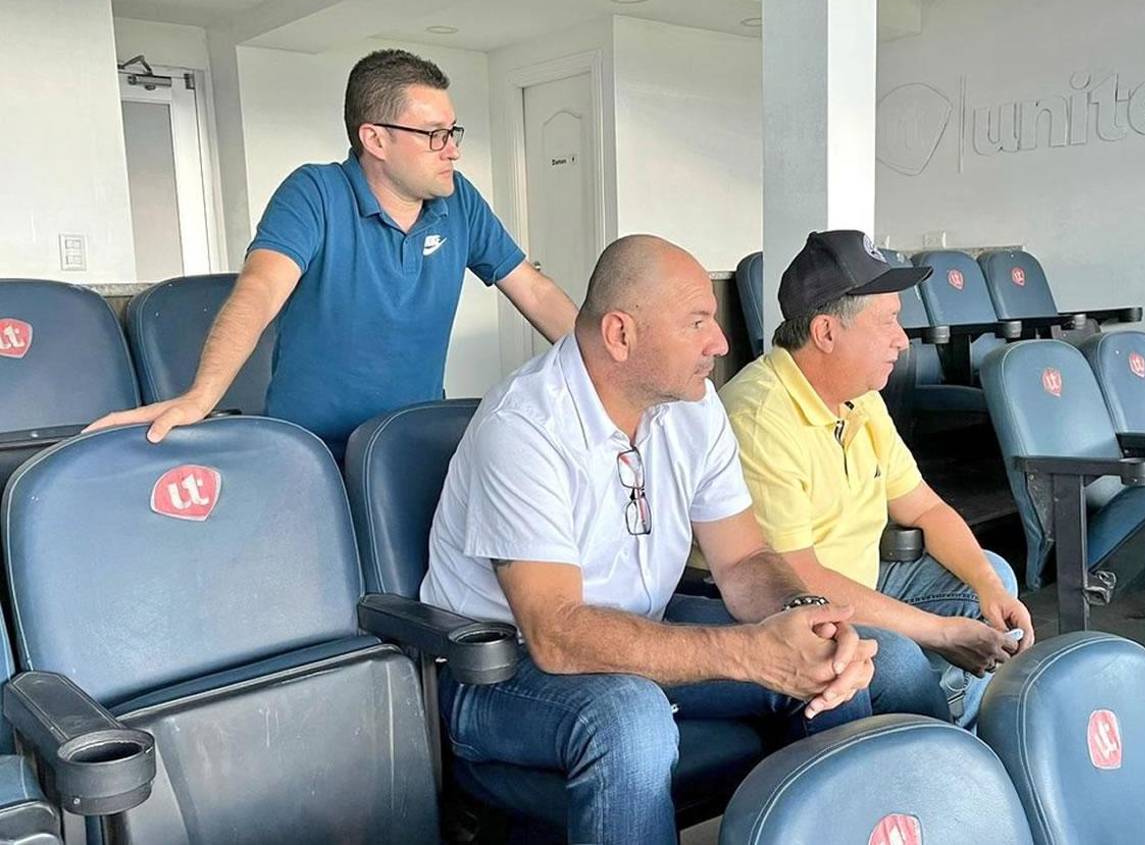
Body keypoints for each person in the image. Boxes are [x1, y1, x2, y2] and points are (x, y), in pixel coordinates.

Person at [420, 235, 879, 844]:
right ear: (620, 335)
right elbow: (556, 635)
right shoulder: (525, 426)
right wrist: (747, 652)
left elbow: (743, 559)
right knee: (630, 718)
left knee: (833, 660)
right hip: (504, 674)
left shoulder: (692, 404)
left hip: (637, 636)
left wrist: (804, 617)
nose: (719, 343)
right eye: (697, 323)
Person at [87, 49, 576, 458]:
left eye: (453, 132)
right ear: (375, 139)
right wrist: (201, 395)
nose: (452, 150)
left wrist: (606, 375)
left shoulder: (458, 201)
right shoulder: (316, 193)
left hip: (408, 442)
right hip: (312, 450)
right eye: (433, 135)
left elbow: (532, 289)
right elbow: (259, 290)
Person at [715, 229, 1035, 727]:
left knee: (991, 581)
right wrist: (939, 631)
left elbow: (925, 509)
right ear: (826, 333)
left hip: (863, 578)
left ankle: (952, 727)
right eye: (887, 321)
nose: (901, 341)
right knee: (902, 658)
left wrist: (989, 586)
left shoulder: (860, 397)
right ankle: (937, 755)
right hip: (793, 607)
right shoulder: (760, 416)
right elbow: (799, 577)